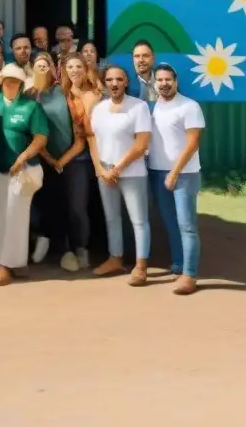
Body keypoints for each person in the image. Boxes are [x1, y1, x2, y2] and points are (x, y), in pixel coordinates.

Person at [88, 64, 153, 286]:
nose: (114, 83)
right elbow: (93, 140)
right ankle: (115, 259)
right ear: (104, 83)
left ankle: (141, 266)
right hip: (105, 173)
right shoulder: (99, 109)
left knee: (139, 220)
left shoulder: (139, 107)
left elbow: (142, 143)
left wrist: (117, 168)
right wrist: (100, 169)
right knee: (111, 217)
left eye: (119, 79)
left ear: (126, 82)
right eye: (109, 80)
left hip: (131, 172)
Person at [0, 63, 49, 287]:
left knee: (15, 217)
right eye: (7, 81)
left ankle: (4, 267)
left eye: (15, 82)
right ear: (1, 83)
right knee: (1, 217)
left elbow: (40, 138)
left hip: (23, 170)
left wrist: (21, 158)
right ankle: (17, 262)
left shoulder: (31, 107)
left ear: (21, 85)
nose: (10, 85)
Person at [149, 64, 206, 295]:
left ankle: (190, 275)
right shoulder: (154, 108)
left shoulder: (190, 106)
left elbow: (193, 143)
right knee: (170, 223)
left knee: (187, 226)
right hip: (157, 172)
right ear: (155, 83)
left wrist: (174, 171)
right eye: (160, 80)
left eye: (168, 79)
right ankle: (178, 265)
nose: (164, 83)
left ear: (176, 80)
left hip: (184, 174)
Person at [29, 52, 82, 272]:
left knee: (68, 205)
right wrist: (50, 159)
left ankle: (67, 250)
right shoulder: (30, 95)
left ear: (53, 68)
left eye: (46, 65)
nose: (43, 69)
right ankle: (45, 238)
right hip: (41, 159)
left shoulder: (65, 91)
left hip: (68, 158)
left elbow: (78, 131)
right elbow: (30, 133)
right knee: (43, 204)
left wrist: (62, 160)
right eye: (38, 66)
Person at [59, 53, 102, 272]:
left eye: (78, 66)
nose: (74, 70)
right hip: (59, 158)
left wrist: (63, 160)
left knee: (79, 207)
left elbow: (87, 136)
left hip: (82, 159)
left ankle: (81, 248)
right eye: (70, 66)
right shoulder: (60, 94)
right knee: (61, 205)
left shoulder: (95, 94)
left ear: (86, 69)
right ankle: (65, 249)